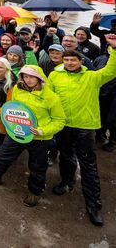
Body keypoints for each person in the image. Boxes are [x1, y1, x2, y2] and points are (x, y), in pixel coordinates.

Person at [47, 34, 116, 227]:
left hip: (85, 126)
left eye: (73, 60)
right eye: (66, 60)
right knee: (66, 156)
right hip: (63, 125)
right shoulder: (54, 76)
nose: (69, 63)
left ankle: (93, 205)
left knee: (88, 165)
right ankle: (67, 182)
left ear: (81, 62)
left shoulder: (92, 77)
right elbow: (48, 97)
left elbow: (111, 70)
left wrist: (114, 49)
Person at [0, 65, 66, 208]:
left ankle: (35, 192)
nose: (28, 80)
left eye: (32, 77)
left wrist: (42, 131)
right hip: (16, 133)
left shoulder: (51, 97)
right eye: (25, 76)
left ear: (39, 78)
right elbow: (10, 107)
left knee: (37, 166)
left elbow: (59, 120)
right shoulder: (18, 90)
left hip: (39, 138)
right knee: (3, 156)